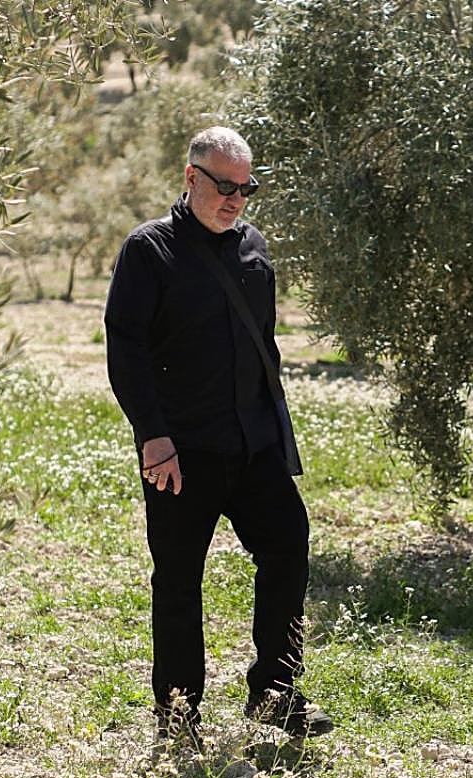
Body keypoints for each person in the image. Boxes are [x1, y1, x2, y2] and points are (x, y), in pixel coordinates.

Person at [104, 126, 333, 742]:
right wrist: (153, 437)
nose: (235, 198)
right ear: (190, 178)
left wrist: (275, 431)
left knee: (287, 546)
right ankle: (178, 715)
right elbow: (126, 352)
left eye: (245, 187)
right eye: (223, 186)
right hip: (181, 452)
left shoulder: (255, 249)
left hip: (252, 446)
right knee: (179, 580)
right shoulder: (148, 250)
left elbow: (267, 349)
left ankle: (276, 693)